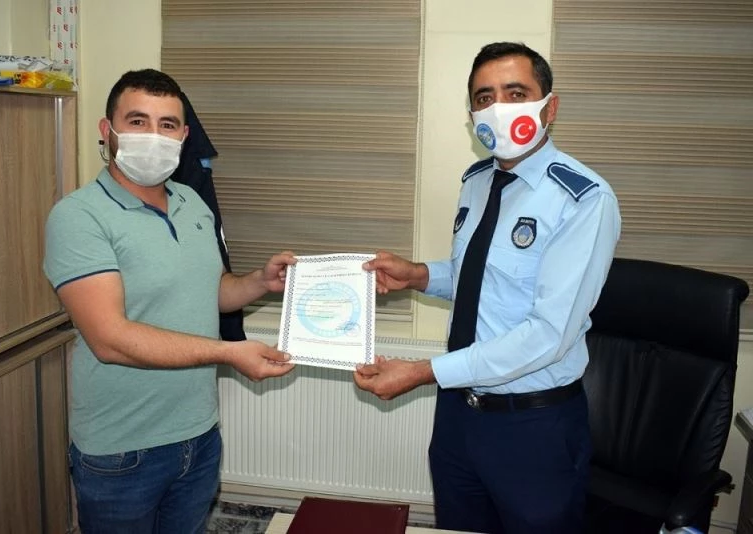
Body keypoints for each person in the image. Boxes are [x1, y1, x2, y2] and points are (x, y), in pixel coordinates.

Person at [354, 42, 621, 534]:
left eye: (515, 93)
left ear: (549, 107)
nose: (498, 108)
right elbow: (481, 279)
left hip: (533, 426)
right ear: (472, 113)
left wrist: (423, 372)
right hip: (458, 416)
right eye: (484, 97)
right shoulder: (477, 181)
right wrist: (418, 275)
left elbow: (548, 335)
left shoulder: (583, 200)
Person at [43, 69, 296, 534]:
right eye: (138, 121)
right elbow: (109, 339)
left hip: (199, 436)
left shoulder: (192, 203)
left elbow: (212, 291)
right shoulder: (79, 217)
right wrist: (228, 353)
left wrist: (259, 281)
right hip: (122, 450)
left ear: (183, 136)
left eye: (167, 125)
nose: (153, 136)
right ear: (108, 130)